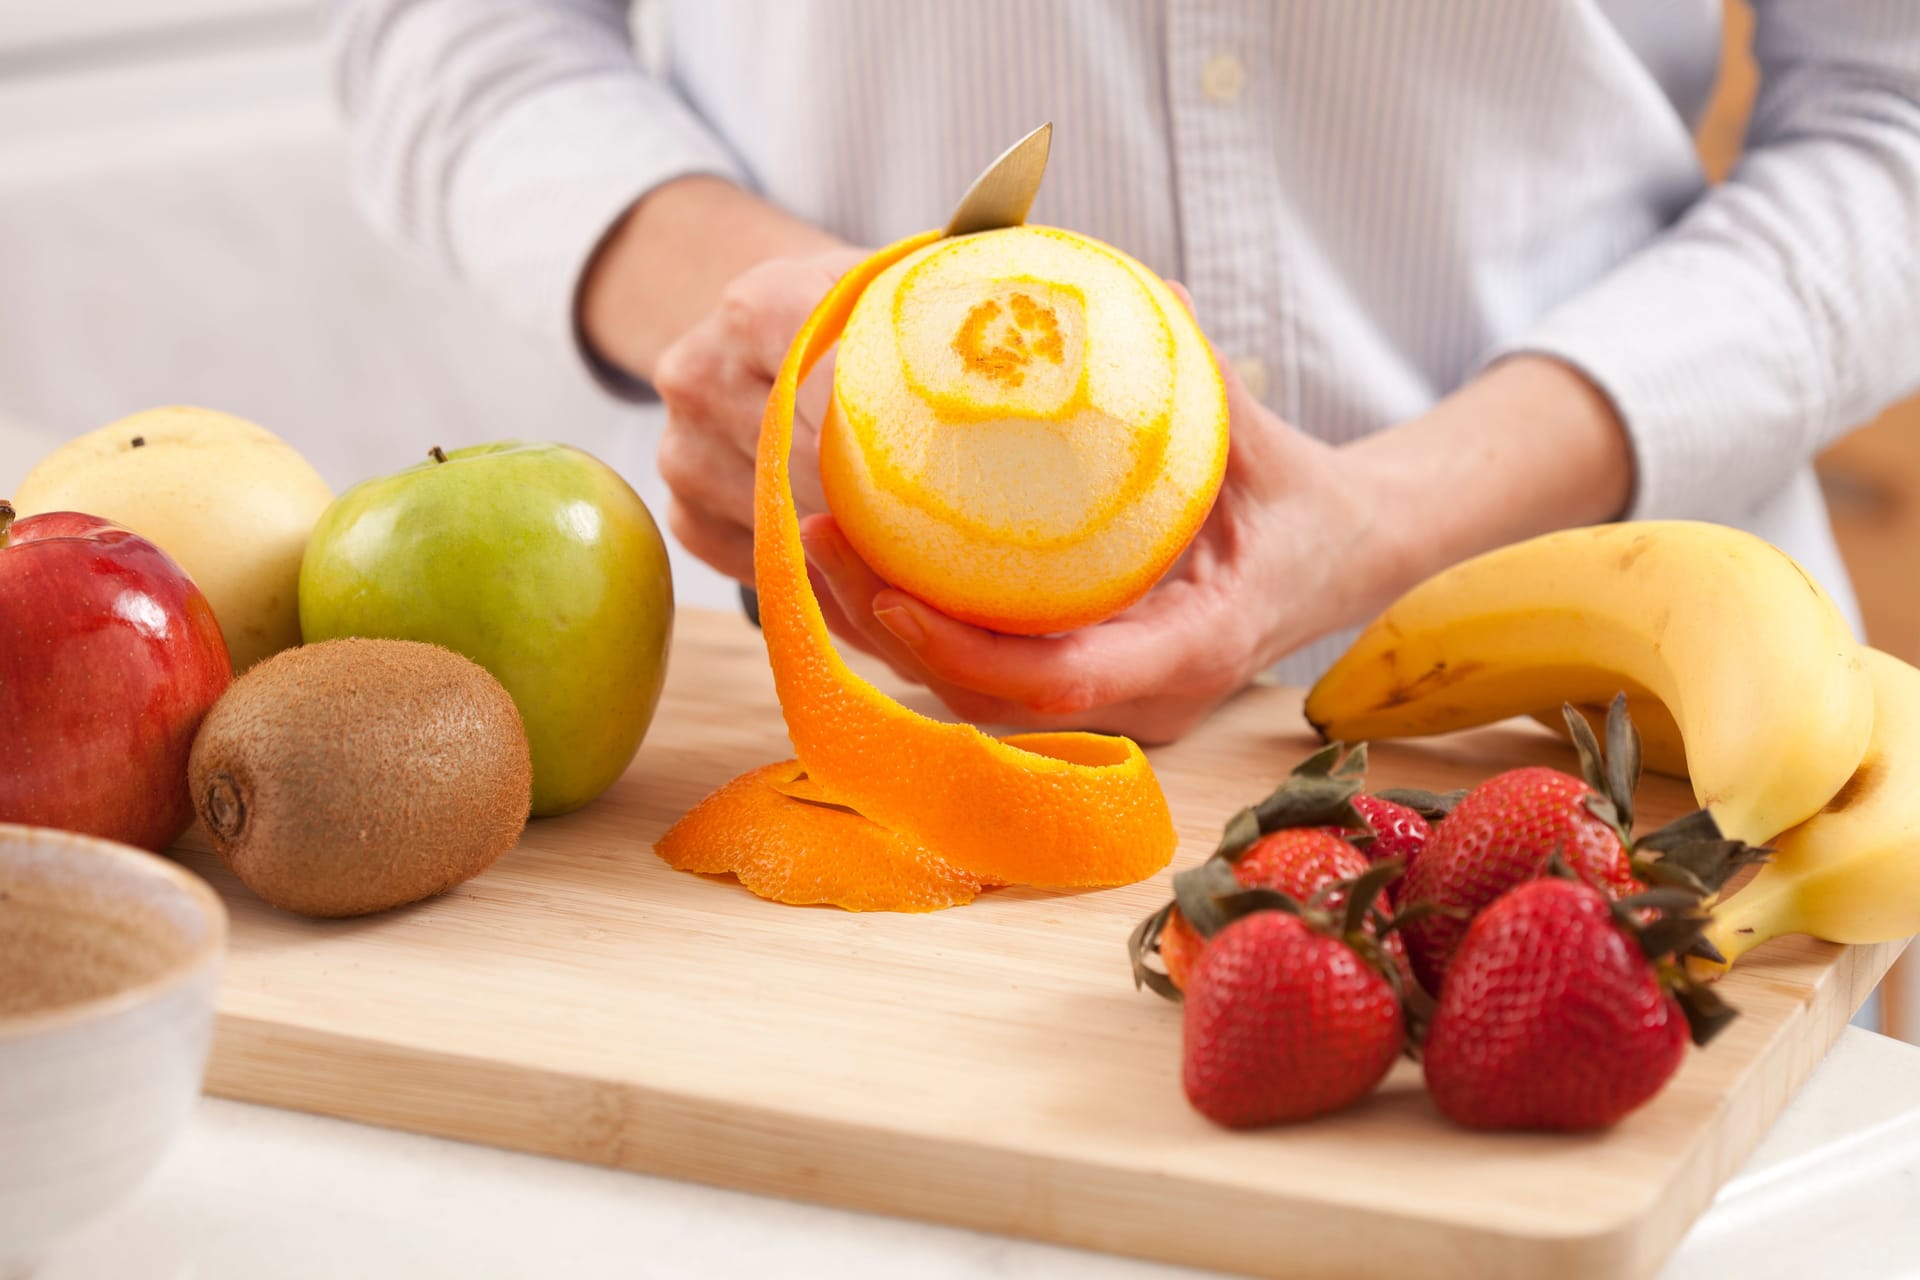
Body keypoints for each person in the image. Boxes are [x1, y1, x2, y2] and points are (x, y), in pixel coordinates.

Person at [331, 1, 1920, 743]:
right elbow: (451, 32)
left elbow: (1895, 121)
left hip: (1615, 712)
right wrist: (766, 324)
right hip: (848, 721)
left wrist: (1388, 513)